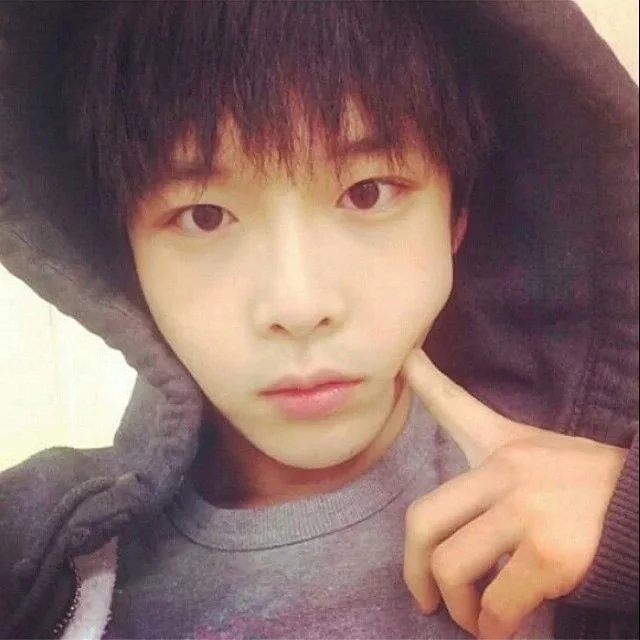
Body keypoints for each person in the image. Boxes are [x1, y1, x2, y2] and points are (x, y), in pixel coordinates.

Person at [0, 2, 637, 638]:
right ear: (126, 260)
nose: (299, 307)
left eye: (368, 192)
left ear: (456, 218)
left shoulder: (597, 494)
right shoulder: (34, 556)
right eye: (204, 216)